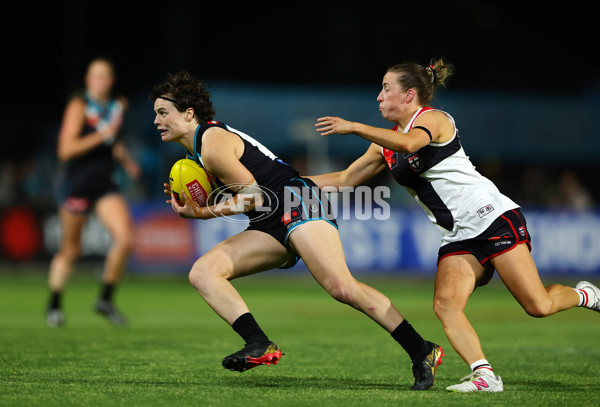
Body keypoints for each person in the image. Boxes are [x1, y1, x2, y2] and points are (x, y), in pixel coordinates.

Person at [312, 58, 600, 393]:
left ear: (408, 95)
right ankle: (485, 376)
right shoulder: (385, 143)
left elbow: (410, 144)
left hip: (491, 219)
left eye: (385, 88)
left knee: (539, 306)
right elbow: (345, 178)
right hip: (458, 235)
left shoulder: (434, 119)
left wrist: (354, 127)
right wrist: (286, 184)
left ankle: (585, 294)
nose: (378, 97)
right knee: (445, 304)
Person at [151, 71, 444, 390]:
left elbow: (254, 196)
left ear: (188, 113)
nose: (156, 120)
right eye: (156, 113)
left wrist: (202, 212)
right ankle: (259, 344)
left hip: (296, 202)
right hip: (268, 220)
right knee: (203, 272)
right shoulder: (196, 151)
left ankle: (422, 350)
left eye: (163, 112)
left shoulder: (211, 143)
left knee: (341, 287)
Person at [46, 57, 141, 328]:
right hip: (78, 184)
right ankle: (54, 304)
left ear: (111, 80)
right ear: (88, 80)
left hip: (105, 184)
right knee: (70, 250)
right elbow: (65, 150)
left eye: (106, 76)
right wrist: (101, 135)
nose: (101, 81)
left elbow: (114, 142)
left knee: (126, 240)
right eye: (96, 76)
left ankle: (105, 299)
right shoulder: (79, 106)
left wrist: (127, 163)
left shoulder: (115, 107)